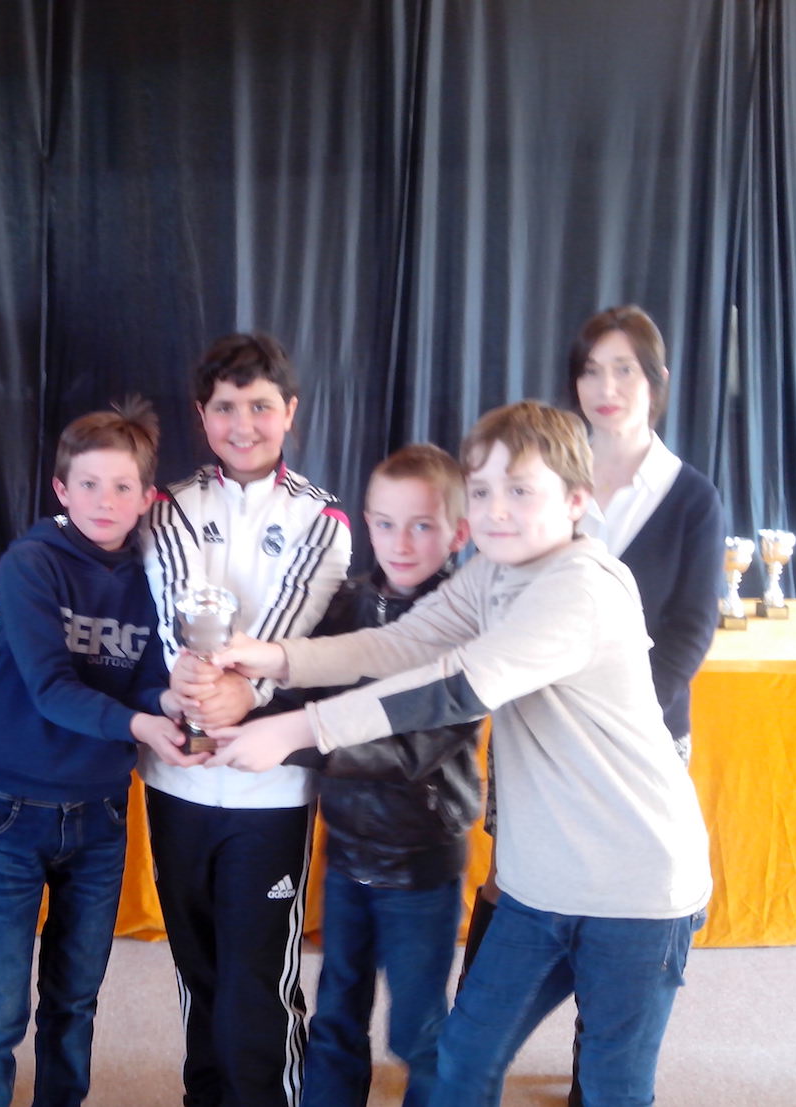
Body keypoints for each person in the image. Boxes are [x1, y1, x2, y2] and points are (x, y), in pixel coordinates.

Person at [209, 401, 711, 1107]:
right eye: (482, 490)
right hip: (541, 888)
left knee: (611, 1088)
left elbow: (454, 686)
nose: (496, 509)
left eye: (520, 489)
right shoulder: (495, 570)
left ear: (576, 501)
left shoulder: (579, 587)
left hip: (636, 889)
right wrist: (276, 657)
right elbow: (401, 644)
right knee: (459, 1064)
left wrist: (296, 730)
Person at [461, 306, 725, 1104]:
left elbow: (691, 625)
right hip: (534, 732)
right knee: (519, 885)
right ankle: (473, 1039)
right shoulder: (541, 475)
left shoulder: (689, 495)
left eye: (624, 369)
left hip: (638, 738)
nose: (606, 385)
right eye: (590, 369)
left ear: (657, 381)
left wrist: (625, 712)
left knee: (616, 934)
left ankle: (591, 1077)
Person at [0, 398, 206, 1107]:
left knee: (74, 1002)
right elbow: (50, 688)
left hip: (99, 814)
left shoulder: (153, 574)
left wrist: (172, 701)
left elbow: (147, 677)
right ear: (61, 490)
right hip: (10, 809)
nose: (105, 500)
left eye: (123, 486)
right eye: (89, 484)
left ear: (148, 498)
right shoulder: (31, 563)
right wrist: (142, 725)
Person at [140, 332, 352, 1107]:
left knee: (256, 981)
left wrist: (247, 694)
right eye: (226, 407)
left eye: (260, 406)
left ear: (290, 411)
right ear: (201, 415)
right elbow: (177, 608)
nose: (243, 424)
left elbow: (294, 623)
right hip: (179, 781)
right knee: (198, 970)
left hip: (271, 791)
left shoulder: (323, 519)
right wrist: (199, 687)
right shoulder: (166, 507)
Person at [297, 444, 481, 1107]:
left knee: (418, 1029)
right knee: (335, 1014)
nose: (400, 543)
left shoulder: (471, 623)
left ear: (458, 533)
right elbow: (301, 684)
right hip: (346, 852)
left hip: (421, 864)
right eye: (385, 523)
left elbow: (412, 751)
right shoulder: (345, 604)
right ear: (366, 524)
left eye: (422, 525)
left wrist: (293, 745)